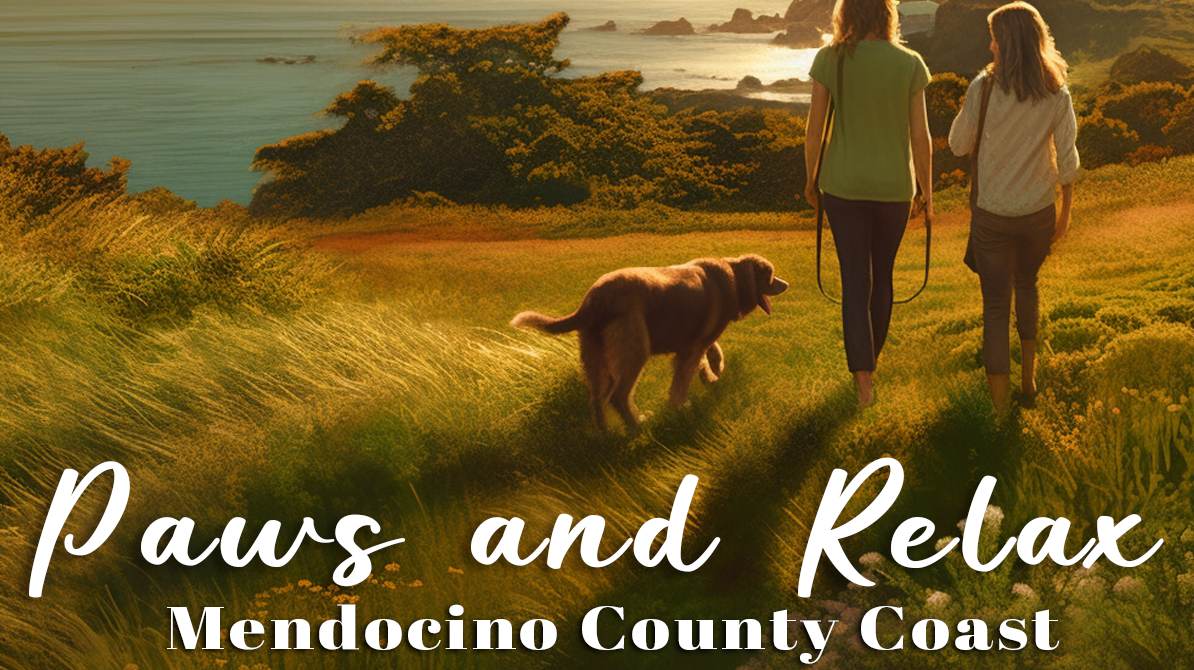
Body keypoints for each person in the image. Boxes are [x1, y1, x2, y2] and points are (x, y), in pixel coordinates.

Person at [949, 1, 1078, 414]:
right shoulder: (1057, 93)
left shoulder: (983, 88)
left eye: (994, 38)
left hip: (993, 215)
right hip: (1039, 211)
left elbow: (957, 145)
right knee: (1027, 286)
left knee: (994, 307)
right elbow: (1068, 159)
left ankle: (1001, 408)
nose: (990, 47)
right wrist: (1066, 213)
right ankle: (1029, 381)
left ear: (1005, 43)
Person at [804, 0, 934, 407]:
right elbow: (921, 136)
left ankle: (863, 381)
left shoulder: (830, 58)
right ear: (887, 15)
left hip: (843, 186)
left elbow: (814, 130)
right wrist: (927, 192)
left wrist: (811, 180)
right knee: (883, 278)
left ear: (847, 15)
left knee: (855, 281)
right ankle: (869, 364)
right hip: (895, 188)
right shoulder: (910, 62)